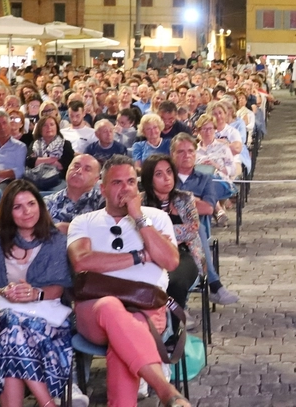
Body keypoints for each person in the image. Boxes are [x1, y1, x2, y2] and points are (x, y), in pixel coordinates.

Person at [66, 159, 190, 407]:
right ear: (102, 188)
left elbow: (170, 261)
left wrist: (139, 218)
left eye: (131, 182)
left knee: (122, 341)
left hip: (146, 309)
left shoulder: (156, 218)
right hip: (93, 310)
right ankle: (165, 390)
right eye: (117, 182)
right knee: (111, 307)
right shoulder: (84, 221)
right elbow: (82, 262)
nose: (126, 188)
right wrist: (141, 256)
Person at [0, 180, 74, 407]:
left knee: (10, 340)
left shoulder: (56, 241)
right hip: (0, 316)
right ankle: (48, 403)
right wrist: (5, 292)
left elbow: (60, 288)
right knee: (11, 324)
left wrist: (36, 294)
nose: (27, 212)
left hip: (47, 319)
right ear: (8, 212)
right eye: (18, 207)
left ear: (40, 206)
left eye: (31, 204)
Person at [169, 134, 237, 305]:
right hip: (167, 229)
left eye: (191, 151)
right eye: (181, 152)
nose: (187, 155)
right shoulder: (165, 176)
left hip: (195, 230)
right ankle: (214, 285)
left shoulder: (205, 179)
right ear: (173, 154)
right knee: (196, 228)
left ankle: (211, 285)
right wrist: (192, 200)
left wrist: (179, 200)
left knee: (197, 228)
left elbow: (208, 207)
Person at [139, 154, 204, 307]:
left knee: (174, 280)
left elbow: (193, 229)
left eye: (169, 172)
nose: (167, 178)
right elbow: (138, 230)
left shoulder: (185, 198)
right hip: (149, 254)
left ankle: (176, 318)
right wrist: (157, 236)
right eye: (159, 174)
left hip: (183, 253)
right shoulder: (139, 203)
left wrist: (154, 233)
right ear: (149, 178)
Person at [26, 115, 77, 192]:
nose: (49, 127)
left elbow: (64, 165)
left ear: (56, 127)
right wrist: (52, 160)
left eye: (52, 124)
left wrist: (39, 161)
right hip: (35, 179)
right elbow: (29, 162)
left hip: (57, 180)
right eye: (45, 125)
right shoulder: (34, 144)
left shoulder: (65, 144)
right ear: (40, 129)